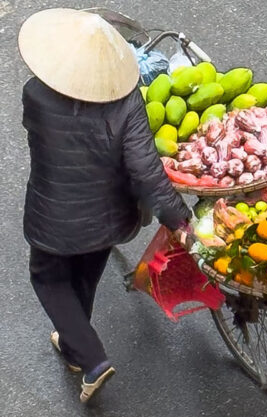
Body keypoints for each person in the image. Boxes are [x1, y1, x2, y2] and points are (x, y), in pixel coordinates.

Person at [18, 8, 191, 403]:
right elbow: (146, 170)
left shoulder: (35, 94)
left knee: (49, 277)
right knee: (84, 273)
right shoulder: (128, 104)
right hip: (108, 218)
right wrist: (178, 217)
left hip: (52, 215)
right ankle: (76, 347)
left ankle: (92, 359)